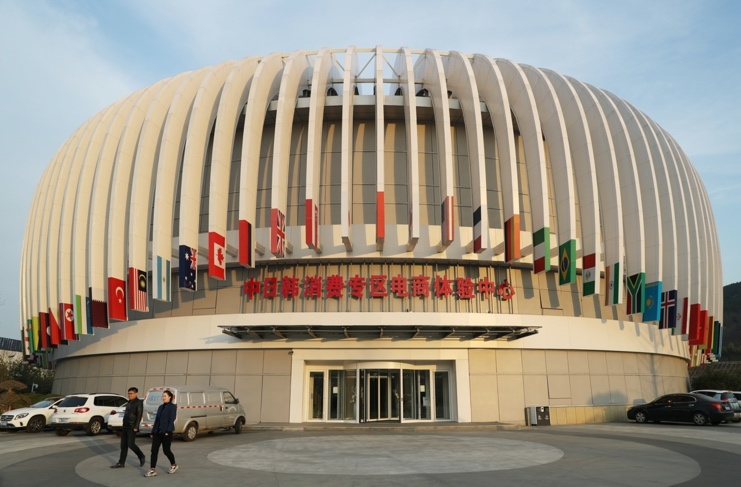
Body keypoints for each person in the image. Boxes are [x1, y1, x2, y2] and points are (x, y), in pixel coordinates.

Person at [144, 390, 178, 477]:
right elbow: (157, 420)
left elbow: (172, 419)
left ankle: (174, 465)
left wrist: (168, 431)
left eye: (165, 396)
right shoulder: (160, 407)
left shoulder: (172, 407)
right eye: (163, 396)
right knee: (154, 451)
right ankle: (152, 469)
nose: (163, 397)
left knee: (166, 451)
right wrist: (153, 431)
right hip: (157, 432)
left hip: (166, 432)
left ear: (170, 397)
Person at [111, 387, 145, 469]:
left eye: (131, 393)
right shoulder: (129, 402)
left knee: (131, 444)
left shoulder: (138, 403)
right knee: (123, 445)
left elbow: (139, 415)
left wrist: (136, 426)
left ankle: (141, 456)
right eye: (129, 393)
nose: (130, 395)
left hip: (132, 426)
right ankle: (121, 463)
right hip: (125, 426)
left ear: (136, 393)